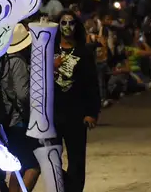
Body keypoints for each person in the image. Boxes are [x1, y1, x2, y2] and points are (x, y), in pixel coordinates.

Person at [54, 12, 100, 192]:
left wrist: (92, 112)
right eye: (63, 22)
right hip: (53, 113)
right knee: (50, 158)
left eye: (71, 23)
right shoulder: (49, 49)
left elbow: (92, 83)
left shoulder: (83, 51)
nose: (67, 26)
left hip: (76, 113)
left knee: (77, 160)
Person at [0, 24, 40, 192]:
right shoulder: (18, 61)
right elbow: (23, 94)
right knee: (33, 166)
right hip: (19, 119)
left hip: (6, 120)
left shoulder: (2, 61)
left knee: (19, 165)